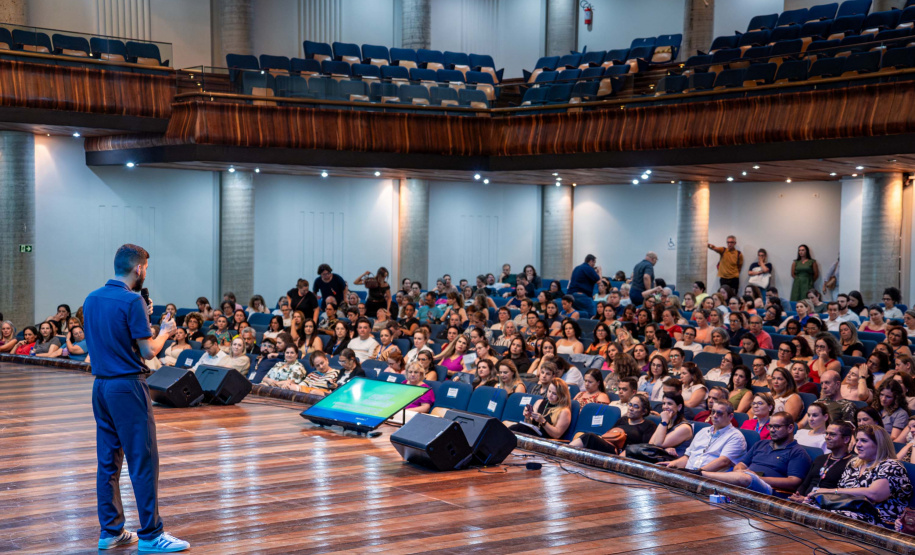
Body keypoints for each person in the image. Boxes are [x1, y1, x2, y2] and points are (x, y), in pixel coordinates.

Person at [82, 244, 189, 552]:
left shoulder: (91, 298)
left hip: (100, 387)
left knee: (108, 461)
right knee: (143, 461)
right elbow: (149, 351)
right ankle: (152, 535)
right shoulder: (132, 301)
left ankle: (111, 531)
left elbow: (109, 337)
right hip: (127, 387)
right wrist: (166, 330)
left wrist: (144, 316)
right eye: (146, 269)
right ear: (139, 269)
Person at [811, 425, 913, 528]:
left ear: (879, 444)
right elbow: (843, 496)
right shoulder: (854, 464)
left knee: (830, 518)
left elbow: (874, 494)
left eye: (864, 441)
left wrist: (830, 491)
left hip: (879, 521)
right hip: (849, 512)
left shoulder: (891, 466)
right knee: (811, 509)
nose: (858, 444)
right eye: (858, 440)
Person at [703, 412, 811, 495]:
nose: (772, 430)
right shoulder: (761, 444)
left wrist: (758, 479)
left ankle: (700, 474)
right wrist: (739, 470)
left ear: (790, 428)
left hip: (770, 490)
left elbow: (793, 482)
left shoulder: (797, 452)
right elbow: (741, 464)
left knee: (745, 478)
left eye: (777, 427)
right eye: (770, 426)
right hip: (746, 481)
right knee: (741, 477)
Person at [659, 400, 747, 472]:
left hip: (709, 480)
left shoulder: (735, 437)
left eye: (719, 413)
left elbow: (723, 462)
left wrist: (696, 473)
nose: (714, 416)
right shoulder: (703, 431)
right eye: (713, 412)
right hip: (689, 474)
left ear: (730, 416)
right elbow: (688, 457)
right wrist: (673, 464)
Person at [569, 393, 657, 454]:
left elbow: (644, 447)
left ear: (644, 411)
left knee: (589, 437)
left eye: (635, 406)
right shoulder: (623, 420)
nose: (631, 408)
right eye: (630, 405)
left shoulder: (648, 425)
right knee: (585, 436)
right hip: (611, 447)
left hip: (624, 452)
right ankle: (565, 452)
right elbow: (609, 435)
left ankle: (564, 451)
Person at [791, 421, 855, 503]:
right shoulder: (820, 459)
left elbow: (842, 494)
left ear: (846, 439)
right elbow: (805, 484)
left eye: (832, 434)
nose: (827, 437)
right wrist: (798, 494)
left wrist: (808, 500)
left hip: (825, 505)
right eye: (827, 434)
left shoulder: (851, 463)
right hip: (804, 501)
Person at [506, 378, 572, 439]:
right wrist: (527, 417)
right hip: (532, 435)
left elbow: (557, 434)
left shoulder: (564, 411)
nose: (550, 395)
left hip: (545, 439)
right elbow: (529, 425)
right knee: (518, 427)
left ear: (562, 395)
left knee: (518, 428)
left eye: (554, 393)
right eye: (549, 391)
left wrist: (543, 421)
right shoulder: (539, 402)